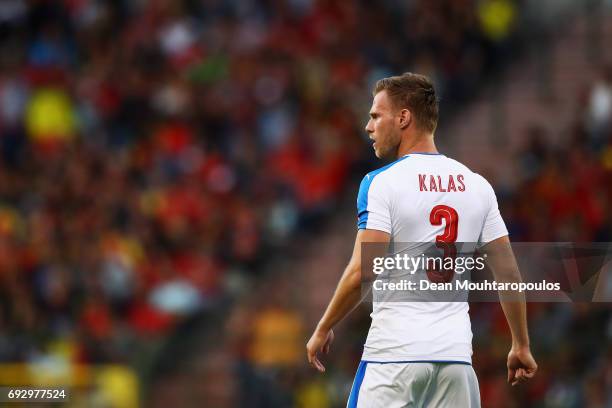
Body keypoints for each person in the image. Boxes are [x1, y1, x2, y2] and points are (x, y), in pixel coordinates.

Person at [306, 72, 537, 407]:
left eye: (375, 116)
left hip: (394, 361)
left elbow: (363, 272)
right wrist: (521, 344)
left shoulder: (381, 183)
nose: (369, 127)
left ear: (403, 118)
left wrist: (324, 326)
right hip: (456, 363)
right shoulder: (477, 186)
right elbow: (510, 275)